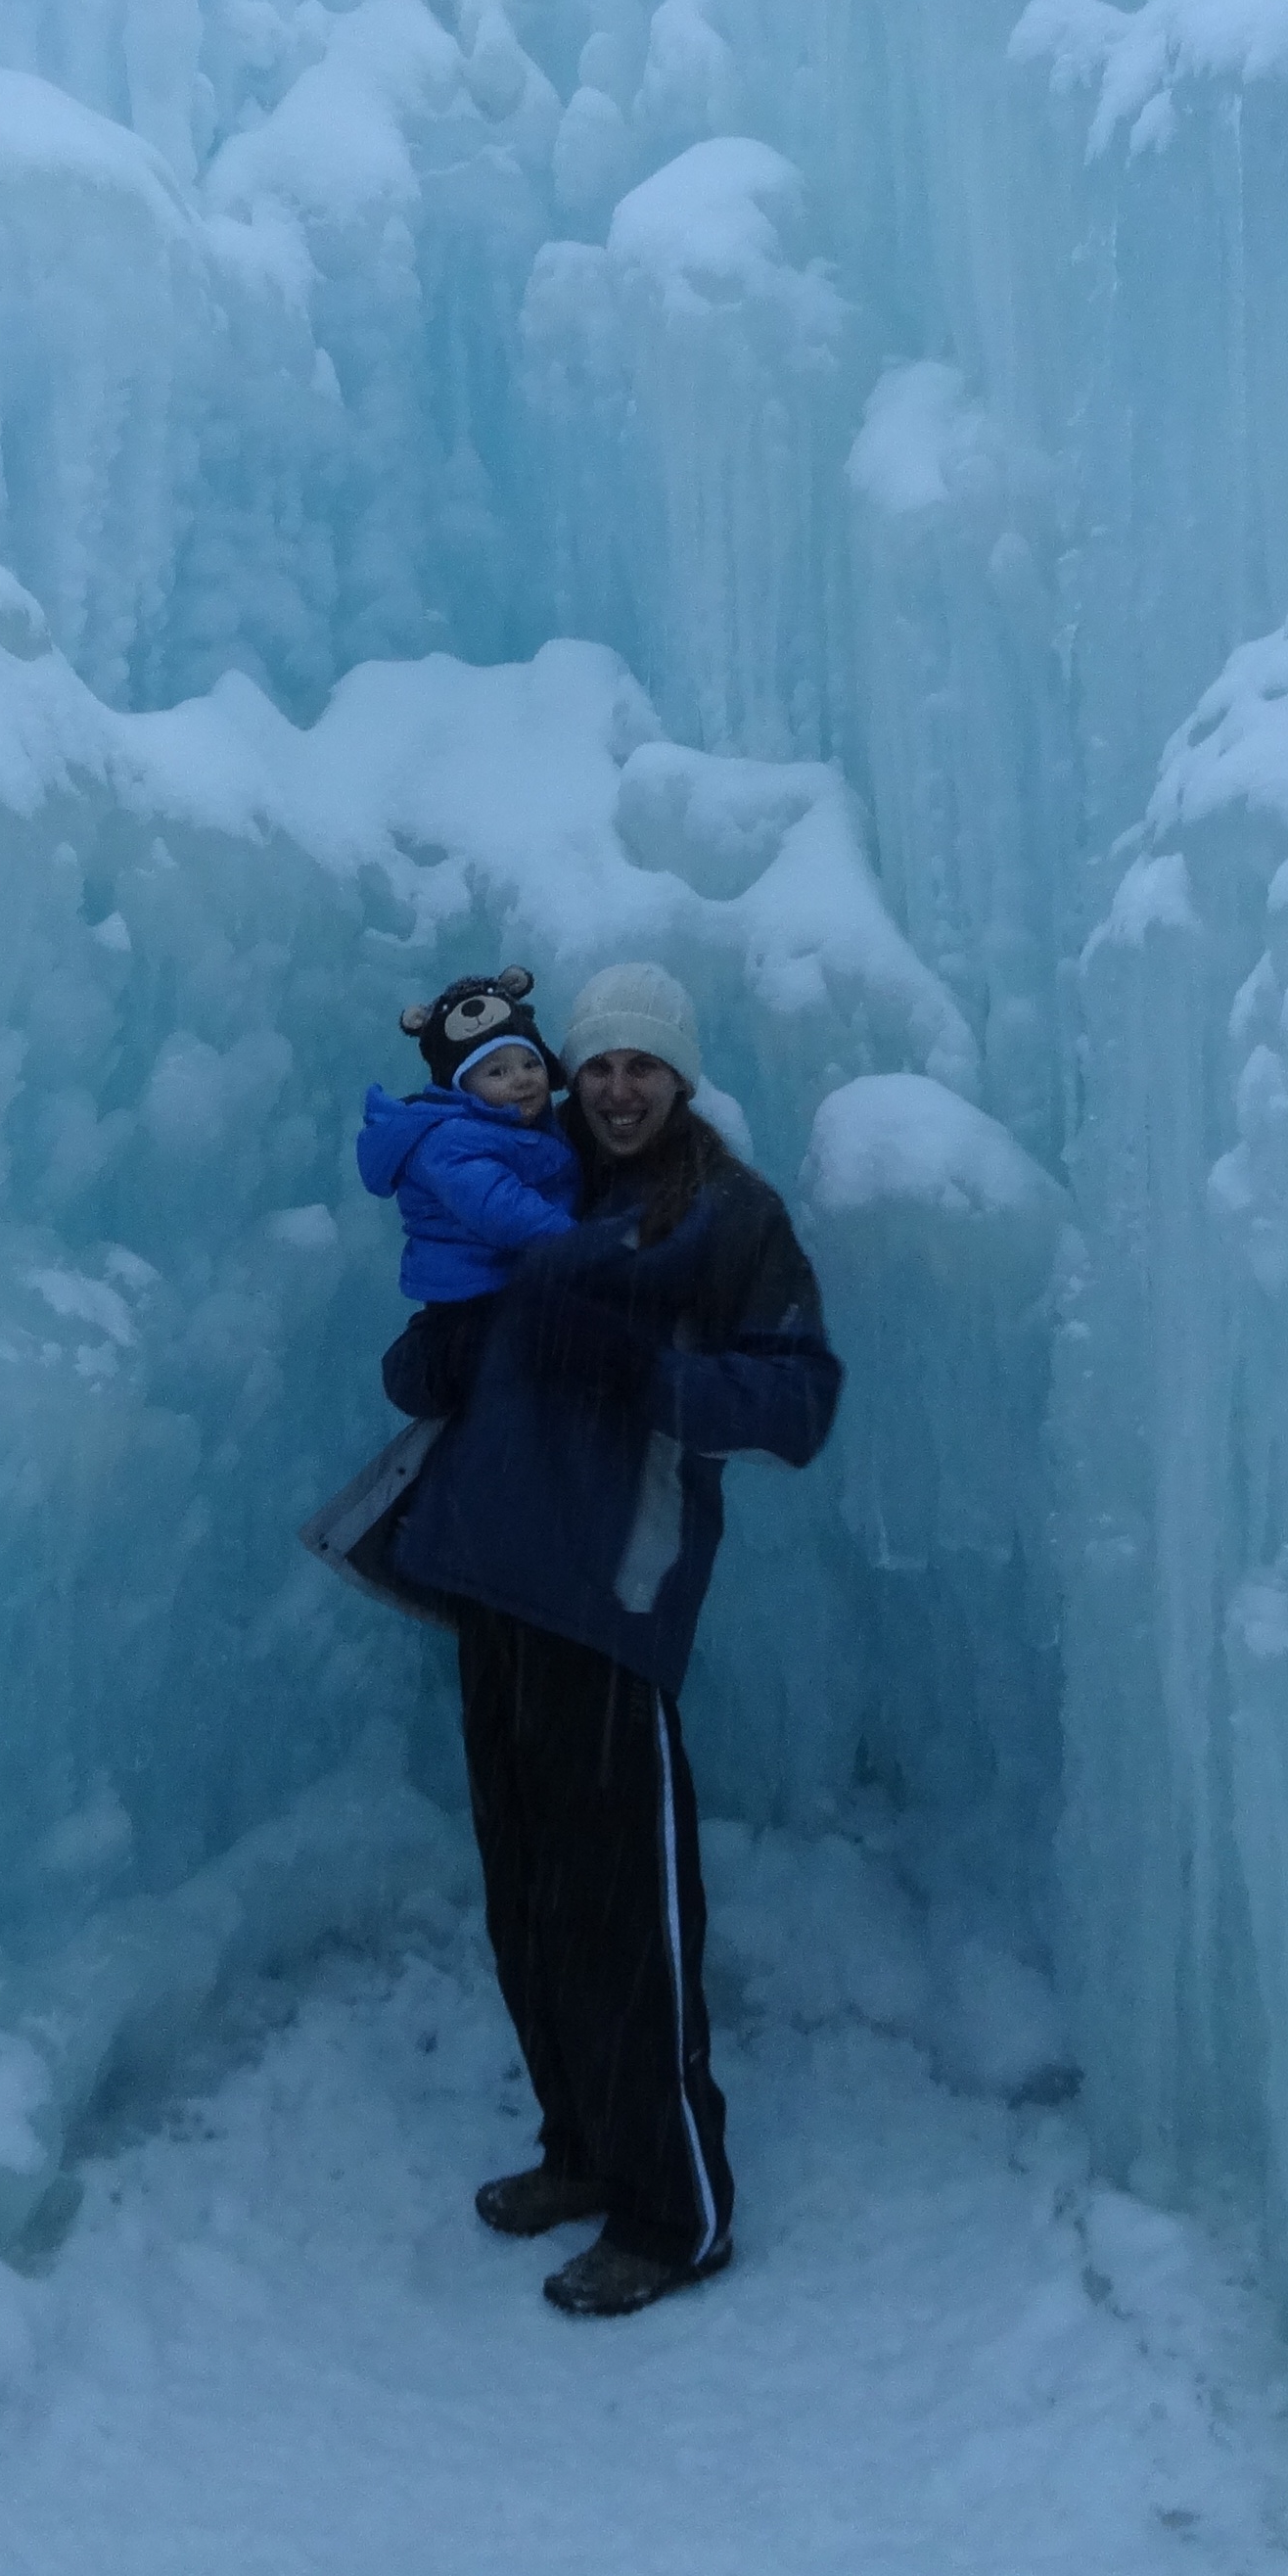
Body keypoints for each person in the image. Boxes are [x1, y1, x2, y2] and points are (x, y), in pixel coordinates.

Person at [376, 960, 842, 2318]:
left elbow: (798, 1400)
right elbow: (437, 1346)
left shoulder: (729, 1216)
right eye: (598, 1065)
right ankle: (579, 2146)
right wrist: (435, 1357)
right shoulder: (533, 1179)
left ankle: (672, 2211)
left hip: (608, 1593)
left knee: (624, 1915)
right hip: (488, 1576)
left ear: (680, 1077)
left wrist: (648, 1376)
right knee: (528, 1897)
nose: (618, 1088)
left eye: (644, 1066)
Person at [352, 969, 580, 1357]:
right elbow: (502, 1208)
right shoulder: (449, 1141)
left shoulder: (521, 1126)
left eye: (531, 1063)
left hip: (510, 1277)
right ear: (461, 1087)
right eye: (497, 1072)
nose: (522, 1079)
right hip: (472, 1296)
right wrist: (583, 1242)